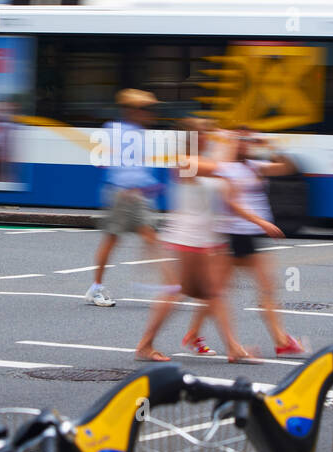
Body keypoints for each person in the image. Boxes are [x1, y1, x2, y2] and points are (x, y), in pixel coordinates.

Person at [135, 121, 278, 364]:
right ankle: (145, 345)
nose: (208, 138)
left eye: (208, 134)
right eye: (203, 134)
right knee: (178, 292)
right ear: (191, 137)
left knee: (214, 293)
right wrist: (230, 142)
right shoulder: (185, 162)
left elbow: (229, 188)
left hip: (207, 238)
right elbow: (218, 168)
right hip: (188, 238)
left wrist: (257, 220)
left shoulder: (206, 159)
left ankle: (233, 348)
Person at [181, 127, 305, 356]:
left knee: (218, 291)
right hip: (235, 234)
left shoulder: (253, 166)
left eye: (248, 140)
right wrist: (262, 222)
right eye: (241, 140)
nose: (245, 144)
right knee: (258, 288)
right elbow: (231, 203)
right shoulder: (229, 168)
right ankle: (279, 341)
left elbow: (287, 167)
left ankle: (193, 334)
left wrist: (268, 145)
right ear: (232, 143)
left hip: (248, 234)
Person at [85, 88, 162, 307]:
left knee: (149, 236)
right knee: (112, 239)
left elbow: (137, 165)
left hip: (135, 194)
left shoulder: (139, 132)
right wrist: (126, 184)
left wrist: (148, 185)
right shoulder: (115, 130)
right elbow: (104, 160)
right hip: (121, 193)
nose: (150, 113)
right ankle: (96, 287)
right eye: (146, 108)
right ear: (133, 110)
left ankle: (165, 285)